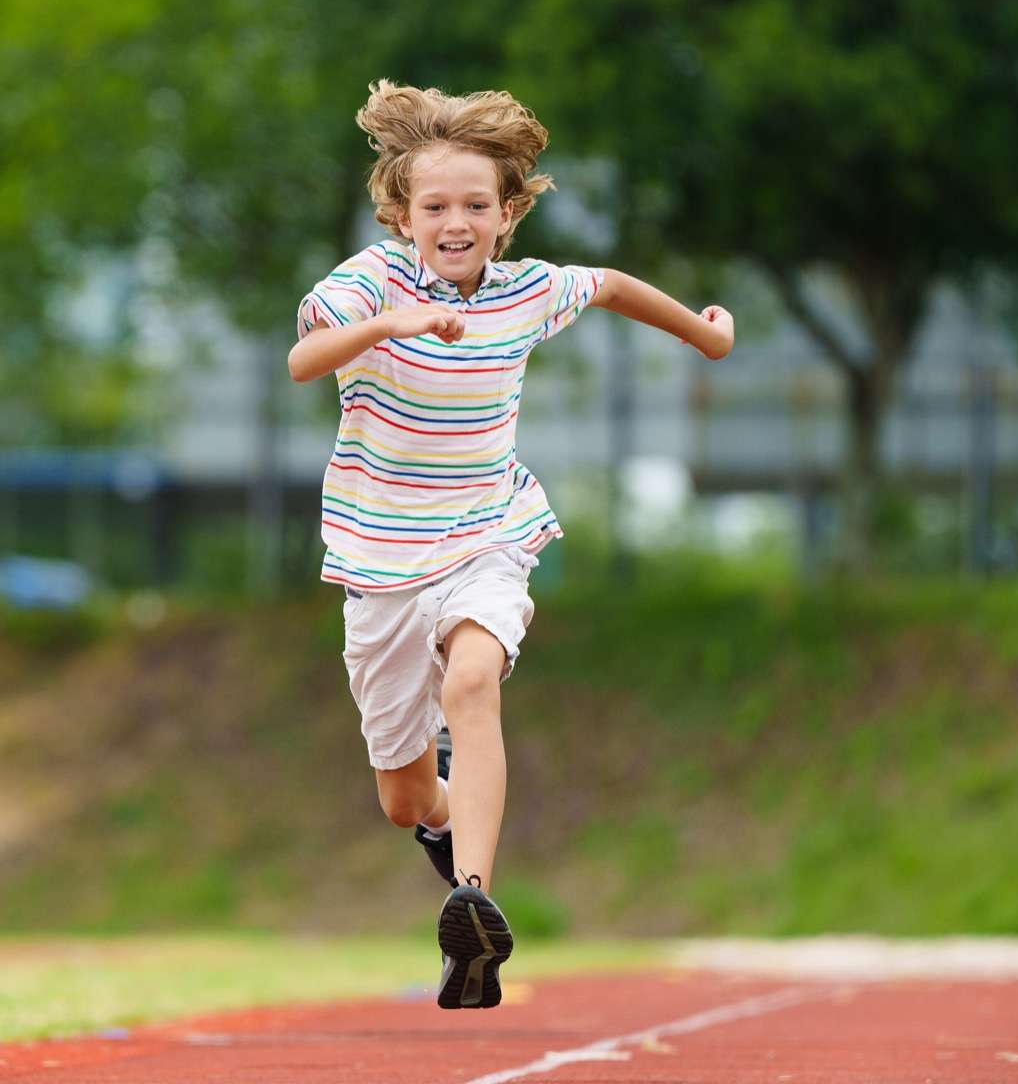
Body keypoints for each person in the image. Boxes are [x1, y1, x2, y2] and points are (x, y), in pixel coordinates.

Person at [287, 79, 734, 1009]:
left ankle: (474, 902)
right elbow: (302, 361)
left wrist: (705, 336)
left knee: (474, 680)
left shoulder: (529, 291)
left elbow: (607, 284)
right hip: (380, 565)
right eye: (436, 205)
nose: (456, 220)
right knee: (405, 800)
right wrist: (390, 322)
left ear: (507, 214)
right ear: (403, 214)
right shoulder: (363, 284)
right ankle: (444, 834)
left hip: (488, 532)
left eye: (476, 206)